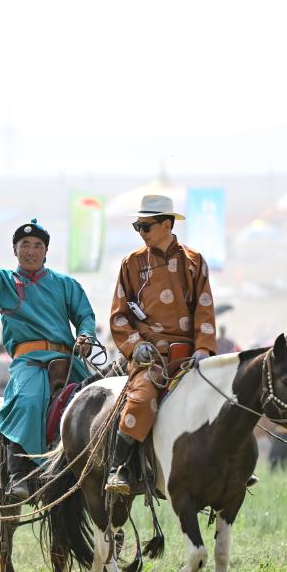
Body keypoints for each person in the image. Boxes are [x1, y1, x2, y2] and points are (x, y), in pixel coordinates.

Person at [0, 197, 96, 500]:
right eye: (24, 245)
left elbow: (85, 316)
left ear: (46, 251)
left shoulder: (66, 285)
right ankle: (18, 475)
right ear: (15, 250)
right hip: (31, 363)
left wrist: (87, 335)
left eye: (37, 245)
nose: (31, 251)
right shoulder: (4, 283)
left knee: (100, 400)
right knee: (28, 399)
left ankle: (112, 469)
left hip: (69, 359)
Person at [106, 194, 221, 493]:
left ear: (167, 224)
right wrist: (134, 345)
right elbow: (119, 316)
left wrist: (203, 348)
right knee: (142, 399)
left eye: (145, 226)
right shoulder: (130, 264)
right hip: (151, 354)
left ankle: (232, 468)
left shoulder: (195, 261)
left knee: (223, 399)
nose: (141, 233)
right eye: (137, 227)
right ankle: (119, 468)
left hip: (190, 353)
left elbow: (205, 308)